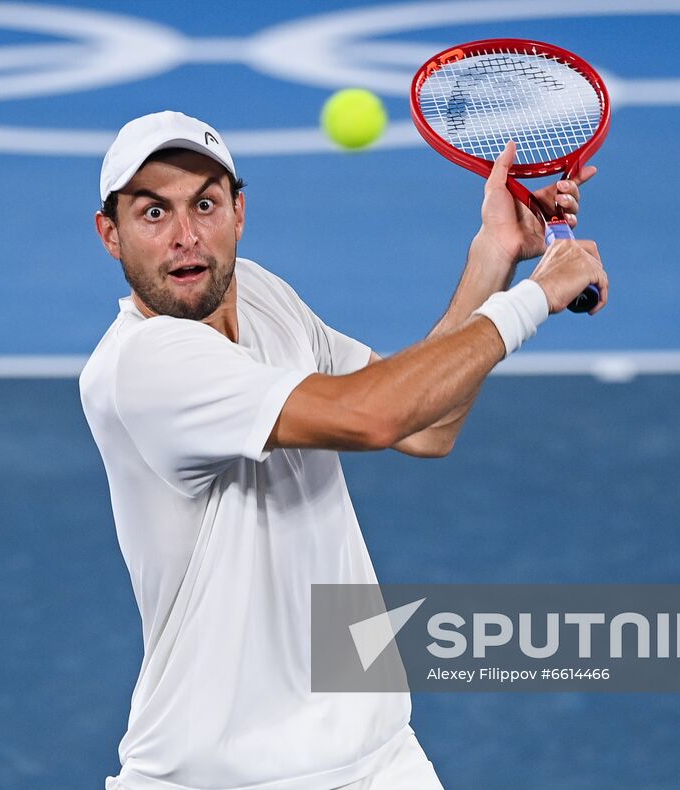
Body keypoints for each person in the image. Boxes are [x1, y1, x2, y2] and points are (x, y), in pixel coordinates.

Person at [80, 110, 606, 790]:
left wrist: (493, 259)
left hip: (379, 758)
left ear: (239, 212)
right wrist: (535, 299)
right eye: (153, 213)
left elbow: (427, 424)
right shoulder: (145, 366)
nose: (186, 237)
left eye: (205, 204)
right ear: (110, 235)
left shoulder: (260, 293)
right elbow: (372, 416)